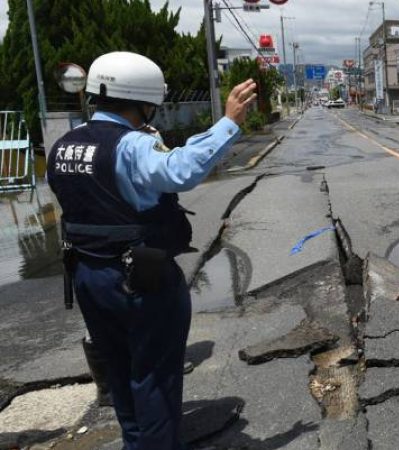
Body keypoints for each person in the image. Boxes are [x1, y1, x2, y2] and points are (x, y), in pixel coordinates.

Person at [47, 51, 257, 449]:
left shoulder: (63, 147)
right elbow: (180, 170)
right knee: (155, 381)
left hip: (87, 276)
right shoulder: (131, 146)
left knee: (120, 372)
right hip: (140, 278)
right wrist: (228, 123)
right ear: (144, 101)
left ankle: (135, 444)